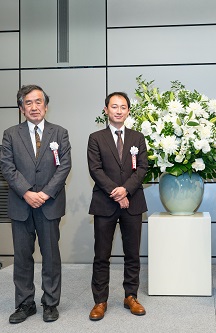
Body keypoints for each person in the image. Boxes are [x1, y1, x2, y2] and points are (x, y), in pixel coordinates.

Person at [0, 84, 72, 324]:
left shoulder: (59, 133)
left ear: (46, 105)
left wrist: (45, 193)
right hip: (21, 205)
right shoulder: (10, 134)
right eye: (28, 103)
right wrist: (28, 193)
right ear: (21, 108)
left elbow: (64, 166)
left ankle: (50, 303)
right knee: (22, 257)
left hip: (49, 204)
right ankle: (25, 303)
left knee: (51, 255)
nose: (34, 107)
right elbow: (8, 168)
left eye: (38, 102)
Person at [87, 92, 148, 321]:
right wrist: (116, 192)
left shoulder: (138, 137)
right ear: (106, 110)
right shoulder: (96, 138)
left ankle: (130, 296)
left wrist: (126, 190)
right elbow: (95, 169)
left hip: (132, 202)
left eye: (123, 107)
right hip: (105, 203)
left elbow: (142, 168)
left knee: (132, 253)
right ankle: (100, 301)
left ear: (129, 111)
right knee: (101, 255)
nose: (119, 110)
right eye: (114, 106)